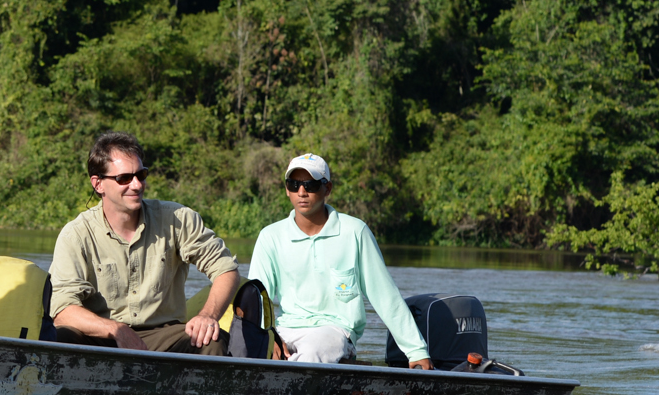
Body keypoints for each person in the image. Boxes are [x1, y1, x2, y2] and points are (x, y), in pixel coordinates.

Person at [47, 131, 241, 354]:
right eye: (124, 178)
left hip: (165, 337)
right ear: (98, 184)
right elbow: (62, 308)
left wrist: (207, 316)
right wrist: (116, 329)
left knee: (211, 340)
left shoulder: (177, 218)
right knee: (60, 337)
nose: (137, 185)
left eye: (141, 174)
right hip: (102, 338)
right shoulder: (76, 234)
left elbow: (226, 269)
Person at [247, 153, 429, 367]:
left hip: (335, 332)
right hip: (286, 330)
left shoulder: (355, 231)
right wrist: (266, 338)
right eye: (294, 184)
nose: (302, 192)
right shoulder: (270, 236)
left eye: (311, 185)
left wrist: (416, 351)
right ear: (287, 189)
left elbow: (385, 295)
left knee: (315, 348)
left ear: (327, 189)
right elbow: (257, 299)